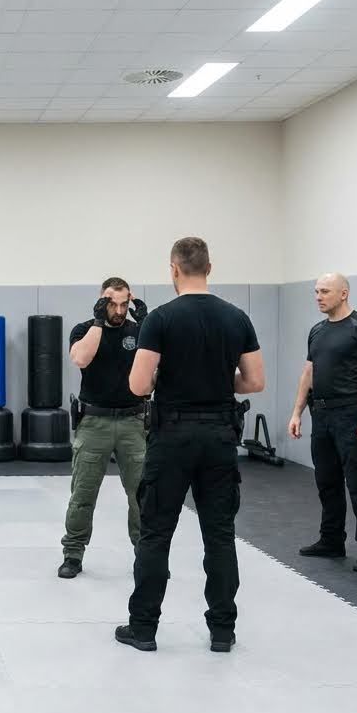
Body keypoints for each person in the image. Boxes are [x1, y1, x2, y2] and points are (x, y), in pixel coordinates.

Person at [115, 237, 265, 653]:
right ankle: (223, 631)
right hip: (220, 435)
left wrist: (170, 378)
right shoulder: (236, 318)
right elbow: (254, 381)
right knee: (220, 535)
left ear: (174, 270)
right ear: (209, 268)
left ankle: (143, 629)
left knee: (155, 533)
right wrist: (217, 381)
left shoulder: (160, 319)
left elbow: (138, 385)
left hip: (172, 436)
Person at [288, 273, 357, 572]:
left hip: (351, 416)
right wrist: (296, 412)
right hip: (321, 414)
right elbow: (308, 373)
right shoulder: (317, 331)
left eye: (325, 291)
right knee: (327, 481)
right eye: (316, 291)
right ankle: (331, 540)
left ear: (343, 293)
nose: (318, 297)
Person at [59, 277, 148, 579]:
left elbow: (158, 366)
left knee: (142, 494)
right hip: (94, 423)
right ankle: (73, 554)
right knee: (83, 493)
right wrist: (99, 322)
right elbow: (81, 358)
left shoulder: (137, 331)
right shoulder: (84, 329)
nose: (119, 311)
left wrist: (147, 326)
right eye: (112, 304)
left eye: (124, 304)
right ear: (101, 301)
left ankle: (145, 555)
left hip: (133, 422)